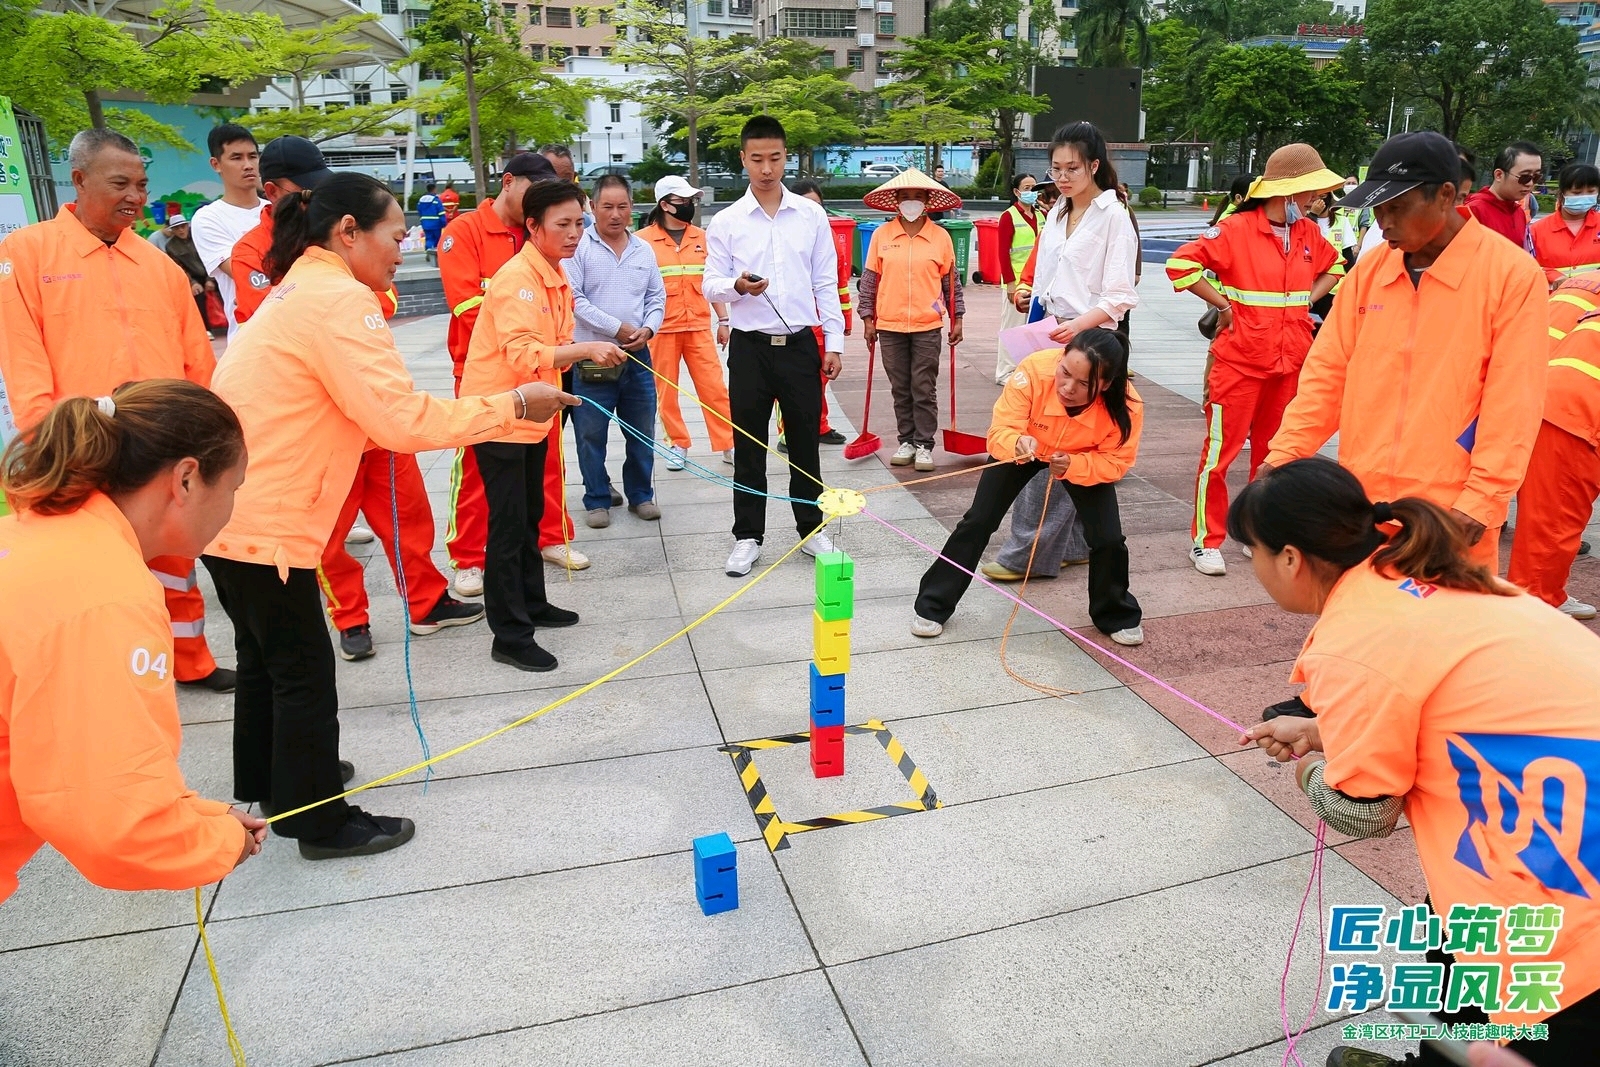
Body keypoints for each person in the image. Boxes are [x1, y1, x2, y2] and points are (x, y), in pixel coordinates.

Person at [204, 173, 574, 859]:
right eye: (397, 237)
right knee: (302, 670)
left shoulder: (300, 286)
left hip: (226, 507)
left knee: (262, 659)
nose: (402, 252)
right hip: (268, 514)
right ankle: (318, 821)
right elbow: (401, 419)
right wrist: (513, 405)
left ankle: (276, 779)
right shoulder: (340, 299)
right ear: (348, 230)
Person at [1234, 458, 1600, 1067]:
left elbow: (1366, 815)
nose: (1255, 568)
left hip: (1561, 867)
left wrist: (1306, 767)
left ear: (1291, 558)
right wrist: (1327, 731)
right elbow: (1452, 704)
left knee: (1507, 1009)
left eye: (1254, 553)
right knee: (1445, 953)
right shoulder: (1430, 577)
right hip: (1562, 796)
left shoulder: (1358, 639)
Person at [0, 382, 267, 904]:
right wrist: (214, 843)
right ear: (186, 479)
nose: (233, 508)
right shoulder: (106, 596)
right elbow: (112, 817)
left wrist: (193, 814)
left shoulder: (41, 537)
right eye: (235, 488)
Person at [0, 127, 233, 693]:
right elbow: (23, 358)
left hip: (158, 443)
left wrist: (200, 430)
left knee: (172, 562)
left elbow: (194, 356)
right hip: (76, 444)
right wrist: (45, 440)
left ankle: (189, 660)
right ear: (78, 181)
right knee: (83, 564)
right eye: (121, 182)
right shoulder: (26, 253)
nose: (136, 195)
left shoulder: (157, 264)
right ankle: (90, 671)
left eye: (142, 184)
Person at [1263, 131, 1548, 576]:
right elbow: (1327, 376)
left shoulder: (1510, 276)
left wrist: (1483, 499)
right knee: (1366, 634)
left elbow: (1515, 400)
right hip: (1365, 504)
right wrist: (1283, 456)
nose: (1384, 222)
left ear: (1447, 195)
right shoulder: (1371, 272)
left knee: (1445, 637)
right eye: (1378, 208)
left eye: (1397, 206)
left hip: (1450, 510)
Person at [461, 180, 628, 672]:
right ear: (533, 226)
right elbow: (522, 353)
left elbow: (552, 340)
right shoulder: (519, 279)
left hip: (532, 412)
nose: (575, 233)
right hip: (500, 414)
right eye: (563, 224)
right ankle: (509, 635)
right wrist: (586, 349)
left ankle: (533, 603)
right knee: (508, 525)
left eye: (579, 222)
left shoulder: (554, 274)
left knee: (532, 513)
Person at [1166, 143, 1345, 577]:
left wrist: (1305, 304)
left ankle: (1258, 534)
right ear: (1287, 193)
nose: (1314, 200)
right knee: (1220, 456)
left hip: (1289, 360)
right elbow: (1179, 265)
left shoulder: (1307, 233)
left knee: (1274, 454)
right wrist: (1224, 307)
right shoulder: (1236, 229)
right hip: (1240, 362)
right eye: (1309, 192)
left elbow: (1336, 267)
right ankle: (1206, 541)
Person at [911, 330, 1144, 646]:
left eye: (1083, 384)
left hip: (1079, 457)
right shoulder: (1034, 370)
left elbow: (1116, 462)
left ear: (1105, 385)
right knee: (978, 521)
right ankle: (932, 605)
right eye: (1065, 372)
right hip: (1026, 446)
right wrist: (1016, 443)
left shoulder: (1127, 406)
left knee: (1108, 538)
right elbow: (1000, 430)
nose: (1067, 387)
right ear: (1060, 359)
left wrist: (1074, 466)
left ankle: (1116, 614)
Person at [989, 121, 1139, 584]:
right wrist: (1028, 290)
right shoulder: (1055, 214)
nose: (1063, 176)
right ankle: (1073, 546)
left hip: (1092, 339)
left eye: (1072, 167)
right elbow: (1049, 270)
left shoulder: (1114, 215)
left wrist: (1078, 326)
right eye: (1056, 168)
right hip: (1052, 329)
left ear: (1095, 165)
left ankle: (1026, 553)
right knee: (1059, 435)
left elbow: (1120, 294)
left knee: (1058, 442)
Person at [439, 152, 586, 587]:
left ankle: (550, 537)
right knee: (480, 476)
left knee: (546, 464)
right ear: (508, 182)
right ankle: (468, 556)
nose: (572, 231)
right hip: (486, 372)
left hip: (541, 370)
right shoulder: (465, 232)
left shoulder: (547, 249)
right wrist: (520, 324)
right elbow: (466, 305)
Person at [704, 115, 842, 577]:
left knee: (805, 440)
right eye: (757, 159)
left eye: (776, 158)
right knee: (749, 444)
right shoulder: (726, 221)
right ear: (743, 159)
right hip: (749, 348)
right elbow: (710, 284)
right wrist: (738, 287)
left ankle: (812, 528)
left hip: (801, 345)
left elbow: (826, 281)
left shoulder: (811, 216)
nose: (767, 168)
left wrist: (834, 342)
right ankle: (747, 536)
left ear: (786, 157)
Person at [566, 174, 666, 528]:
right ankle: (596, 498)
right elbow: (574, 300)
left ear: (631, 208)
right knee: (590, 432)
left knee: (641, 429)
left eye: (622, 206)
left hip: (638, 356)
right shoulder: (577, 248)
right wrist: (617, 328)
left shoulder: (643, 248)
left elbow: (656, 297)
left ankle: (641, 495)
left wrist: (648, 328)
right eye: (607, 206)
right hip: (593, 356)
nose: (615, 214)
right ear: (592, 208)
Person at [857, 168, 965, 473]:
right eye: (905, 197)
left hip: (927, 324)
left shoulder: (940, 237)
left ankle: (924, 444)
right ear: (896, 202)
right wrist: (867, 319)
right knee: (900, 386)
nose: (911, 202)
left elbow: (951, 285)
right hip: (888, 324)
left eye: (918, 197)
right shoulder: (881, 235)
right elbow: (869, 281)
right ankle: (905, 440)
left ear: (928, 201)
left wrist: (958, 319)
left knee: (923, 385)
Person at [1506, 292, 1600, 619]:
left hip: (1520, 391)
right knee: (1552, 524)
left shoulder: (1583, 280)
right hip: (1573, 412)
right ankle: (1537, 608)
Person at [638, 175, 735, 470]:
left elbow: (712, 283)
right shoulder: (642, 242)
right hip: (660, 330)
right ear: (665, 205)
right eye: (683, 201)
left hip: (697, 327)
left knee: (714, 388)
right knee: (666, 391)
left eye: (692, 201)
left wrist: (724, 320)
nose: (690, 206)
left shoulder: (702, 239)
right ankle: (677, 444)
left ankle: (728, 444)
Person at [777, 179, 848, 451]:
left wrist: (842, 324)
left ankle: (819, 426)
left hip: (823, 322)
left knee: (821, 379)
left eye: (818, 205)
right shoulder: (785, 239)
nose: (813, 210)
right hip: (797, 323)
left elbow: (838, 283)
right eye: (807, 205)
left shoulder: (826, 235)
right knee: (789, 383)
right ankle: (787, 433)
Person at [189, 123, 267, 339]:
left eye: (252, 156)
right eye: (236, 158)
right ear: (216, 164)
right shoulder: (208, 218)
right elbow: (249, 274)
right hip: (249, 336)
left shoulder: (276, 210)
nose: (248, 165)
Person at [995, 173, 1040, 383]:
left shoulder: (1041, 216)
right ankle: (1005, 372)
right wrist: (1011, 284)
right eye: (1027, 188)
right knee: (1012, 327)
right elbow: (1003, 252)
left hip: (1036, 282)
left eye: (1034, 187)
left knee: (1031, 328)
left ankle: (1025, 369)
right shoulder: (1009, 216)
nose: (1031, 192)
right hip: (1016, 282)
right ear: (1016, 191)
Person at [1465, 141, 1542, 250]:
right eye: (1525, 177)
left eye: (1536, 177)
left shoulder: (1519, 212)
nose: (1530, 183)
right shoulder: (1474, 211)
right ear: (1499, 175)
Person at [1531, 163, 1600, 285]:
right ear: (1561, 193)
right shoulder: (1536, 230)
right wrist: (1553, 276)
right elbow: (1526, 267)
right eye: (1577, 192)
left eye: (1590, 191)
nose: (1584, 197)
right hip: (1551, 301)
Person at [157, 212, 209, 323]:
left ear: (187, 226)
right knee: (196, 295)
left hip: (213, 272)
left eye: (183, 226)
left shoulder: (198, 236)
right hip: (194, 277)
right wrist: (192, 283)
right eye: (177, 228)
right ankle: (206, 329)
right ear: (173, 231)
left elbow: (211, 257)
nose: (181, 230)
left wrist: (211, 279)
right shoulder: (170, 246)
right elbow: (180, 268)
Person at [417, 182, 446, 261]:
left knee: (429, 239)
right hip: (436, 224)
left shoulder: (421, 200)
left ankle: (428, 252)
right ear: (434, 189)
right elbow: (441, 212)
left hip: (425, 223)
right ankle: (436, 255)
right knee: (437, 239)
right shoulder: (436, 200)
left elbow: (419, 211)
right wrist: (443, 222)